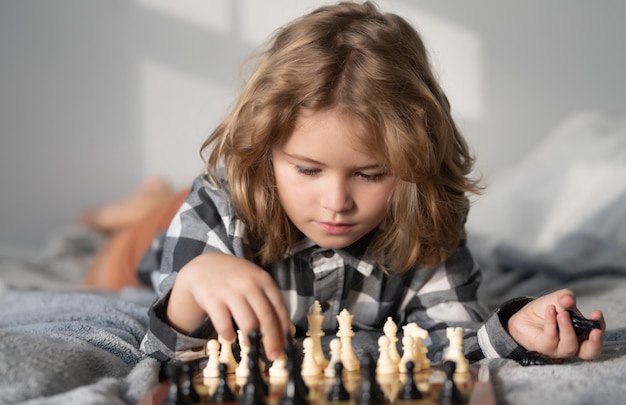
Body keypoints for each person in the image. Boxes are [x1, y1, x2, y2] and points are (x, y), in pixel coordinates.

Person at [89, 1, 604, 364]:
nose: (336, 203)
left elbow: (457, 342)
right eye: (308, 169)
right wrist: (196, 281)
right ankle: (145, 205)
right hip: (165, 234)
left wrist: (511, 332)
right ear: (265, 153)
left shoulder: (426, 221)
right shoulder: (220, 203)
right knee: (114, 260)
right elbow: (162, 350)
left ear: (414, 165)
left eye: (370, 174)